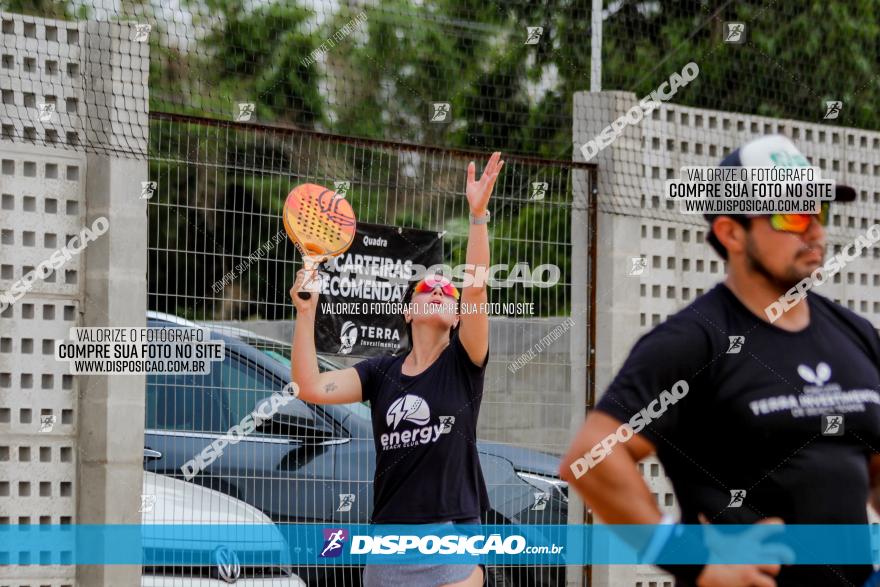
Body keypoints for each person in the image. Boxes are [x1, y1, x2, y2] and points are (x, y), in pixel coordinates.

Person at [560, 135, 880, 586]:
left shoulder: (858, 336)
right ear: (731, 232)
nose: (815, 231)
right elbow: (591, 459)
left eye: (820, 211)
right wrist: (692, 559)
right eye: (792, 214)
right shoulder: (691, 342)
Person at [289, 152, 504, 587]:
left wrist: (478, 216)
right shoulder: (379, 373)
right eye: (430, 286)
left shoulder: (463, 365)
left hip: (451, 537)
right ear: (408, 311)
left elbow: (476, 285)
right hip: (388, 541)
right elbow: (309, 386)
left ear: (459, 315)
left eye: (449, 288)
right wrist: (305, 313)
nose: (443, 288)